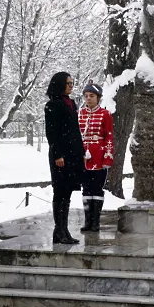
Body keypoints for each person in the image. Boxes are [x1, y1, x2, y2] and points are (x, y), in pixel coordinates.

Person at [44, 72, 85, 244]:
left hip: (73, 153)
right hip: (60, 154)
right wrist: (58, 154)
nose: (71, 85)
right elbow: (51, 133)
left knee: (67, 191)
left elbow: (75, 130)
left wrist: (82, 151)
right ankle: (58, 230)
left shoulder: (71, 103)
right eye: (68, 83)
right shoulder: (52, 105)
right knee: (59, 191)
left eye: (72, 82)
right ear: (59, 84)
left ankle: (64, 230)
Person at [78, 80, 114, 232]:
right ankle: (88, 221)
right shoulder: (80, 114)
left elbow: (109, 137)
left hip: (99, 155)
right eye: (86, 96)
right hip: (83, 157)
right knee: (86, 189)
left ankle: (96, 221)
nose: (88, 98)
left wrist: (107, 157)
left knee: (97, 188)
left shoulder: (105, 114)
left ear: (98, 97)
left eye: (91, 95)